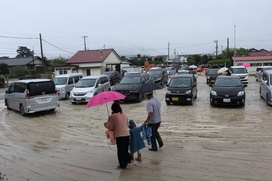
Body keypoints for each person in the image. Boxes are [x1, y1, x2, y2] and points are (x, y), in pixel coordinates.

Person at [104, 102, 132, 169]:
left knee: (120, 151)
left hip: (119, 135)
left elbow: (111, 127)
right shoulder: (124, 115)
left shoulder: (113, 116)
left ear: (113, 109)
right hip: (127, 134)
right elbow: (128, 125)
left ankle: (123, 164)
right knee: (125, 150)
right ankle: (128, 158)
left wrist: (107, 122)